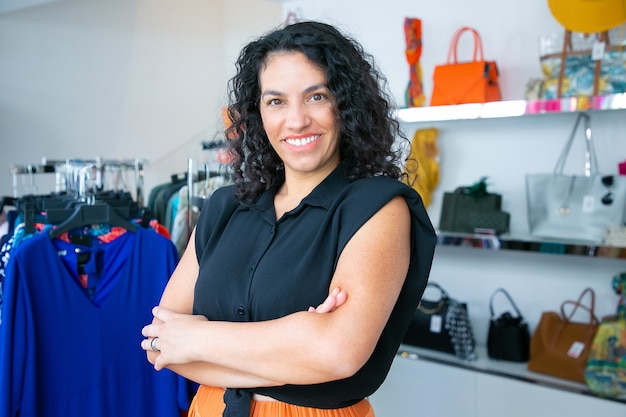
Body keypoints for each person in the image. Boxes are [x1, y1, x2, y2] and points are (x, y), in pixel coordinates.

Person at [141, 20, 436, 417]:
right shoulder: (223, 207)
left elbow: (337, 352)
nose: (296, 121)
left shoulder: (379, 207)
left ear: (345, 104)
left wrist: (198, 336)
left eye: (316, 96)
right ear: (257, 112)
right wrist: (299, 339)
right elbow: (162, 343)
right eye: (276, 101)